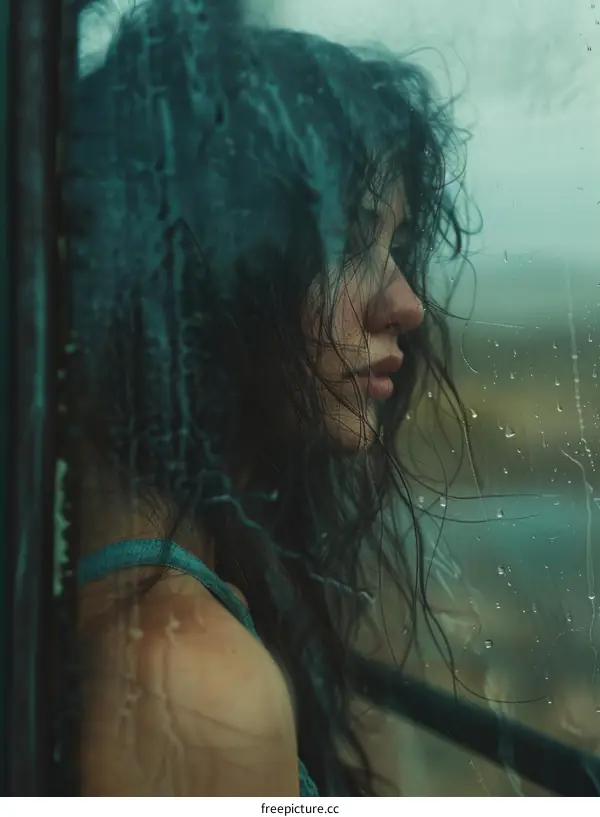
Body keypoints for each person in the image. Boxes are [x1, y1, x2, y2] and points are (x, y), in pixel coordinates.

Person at [68, 0, 471, 797]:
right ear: (210, 266)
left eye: (397, 246)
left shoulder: (130, 595)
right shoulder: (195, 678)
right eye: (350, 237)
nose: (408, 304)